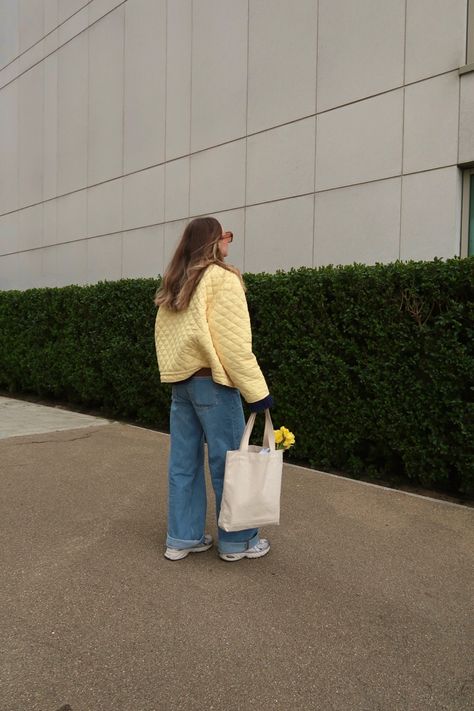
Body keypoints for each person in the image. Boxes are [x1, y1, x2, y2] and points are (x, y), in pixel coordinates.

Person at [154, 216, 273, 562]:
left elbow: (166, 338)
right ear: (213, 242)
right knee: (230, 462)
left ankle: (182, 538)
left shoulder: (176, 281)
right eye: (226, 237)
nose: (228, 243)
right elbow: (234, 344)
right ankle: (238, 542)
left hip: (183, 383)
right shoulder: (221, 279)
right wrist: (257, 392)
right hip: (214, 385)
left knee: (183, 463)